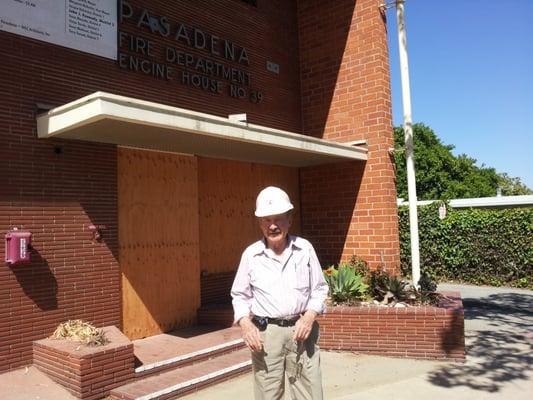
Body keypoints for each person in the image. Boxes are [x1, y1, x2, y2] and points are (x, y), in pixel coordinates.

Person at [231, 186, 329, 400]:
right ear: (259, 222)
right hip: (267, 336)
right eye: (266, 220)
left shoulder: (305, 249)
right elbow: (239, 295)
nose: (272, 226)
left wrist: (310, 316)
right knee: (268, 395)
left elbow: (320, 289)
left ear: (289, 220)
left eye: (278, 219)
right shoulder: (251, 255)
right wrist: (246, 325)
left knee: (310, 393)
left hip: (302, 331)